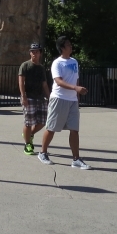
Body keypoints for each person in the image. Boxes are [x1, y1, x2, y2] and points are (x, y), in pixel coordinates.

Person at [37, 36, 90, 169]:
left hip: (72, 100)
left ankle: (76, 159)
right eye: (68, 45)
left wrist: (77, 95)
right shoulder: (57, 63)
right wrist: (75, 88)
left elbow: (75, 79)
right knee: (51, 128)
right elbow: (58, 81)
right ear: (62, 48)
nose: (71, 46)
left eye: (71, 44)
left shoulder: (74, 61)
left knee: (74, 130)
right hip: (59, 98)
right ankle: (42, 152)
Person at [18, 43, 50, 155]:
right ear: (30, 53)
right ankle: (27, 144)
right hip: (29, 97)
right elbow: (21, 81)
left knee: (43, 121)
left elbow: (44, 84)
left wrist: (49, 98)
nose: (34, 53)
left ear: (40, 53)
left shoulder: (41, 68)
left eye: (36, 51)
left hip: (40, 98)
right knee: (28, 122)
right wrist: (23, 96)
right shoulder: (25, 65)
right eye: (32, 51)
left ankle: (29, 134)